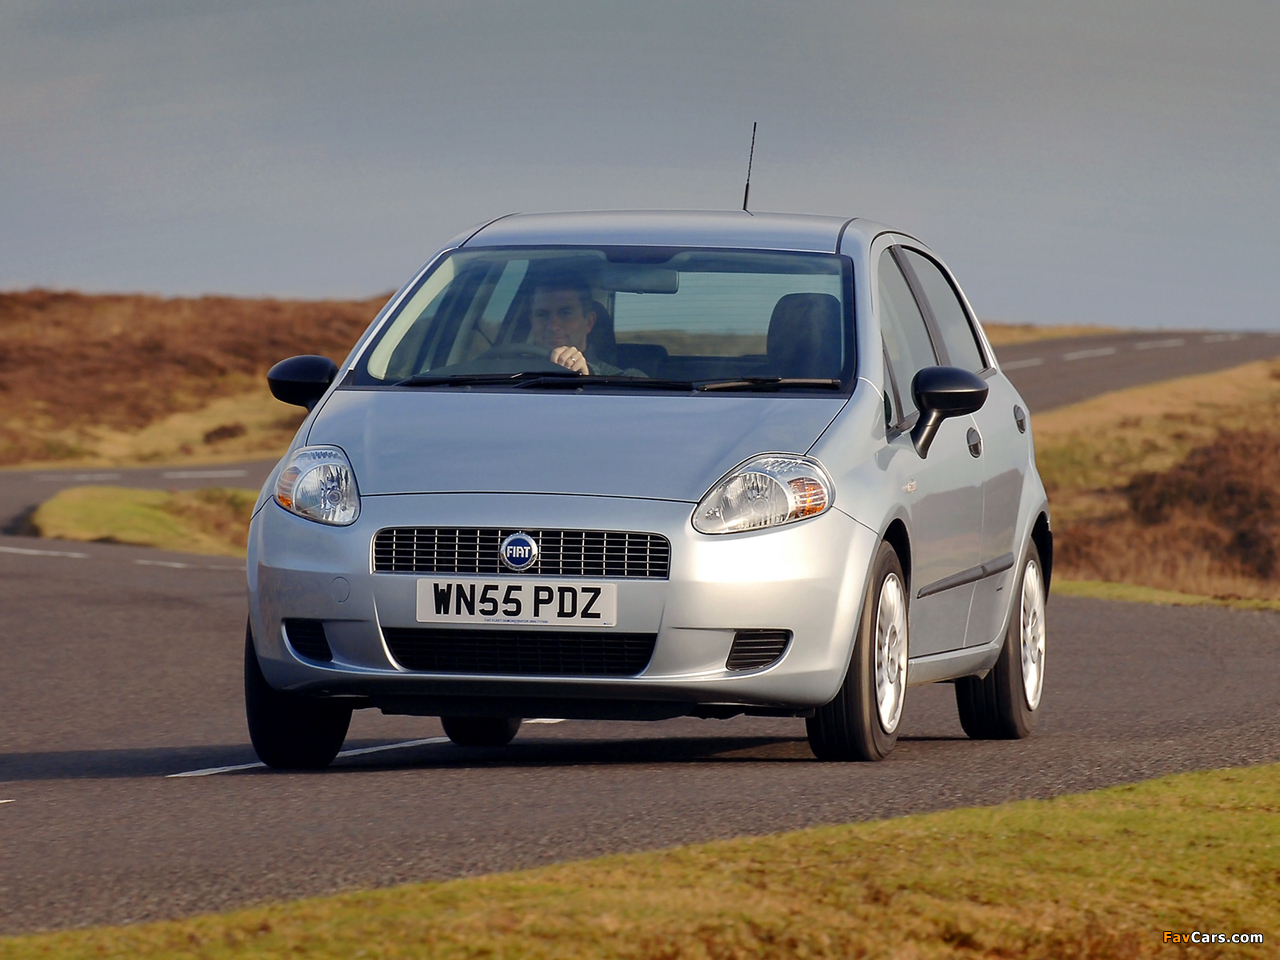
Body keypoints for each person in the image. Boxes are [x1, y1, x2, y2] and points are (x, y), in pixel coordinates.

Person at [528, 273, 644, 377]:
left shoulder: (622, 378)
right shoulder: (512, 372)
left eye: (565, 313)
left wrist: (589, 375)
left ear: (589, 322)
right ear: (531, 321)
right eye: (542, 315)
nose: (552, 327)